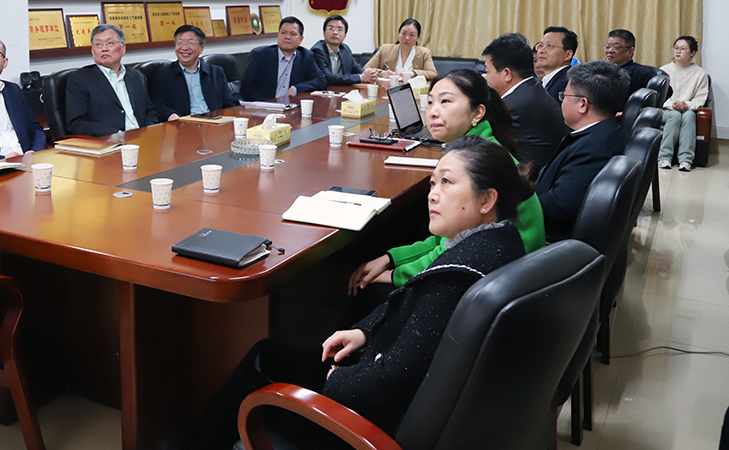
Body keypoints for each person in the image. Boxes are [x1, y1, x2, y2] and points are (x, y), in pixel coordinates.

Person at [173, 137, 530, 449]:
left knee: (262, 363)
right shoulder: (502, 242)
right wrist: (364, 331)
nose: (432, 194)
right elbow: (414, 325)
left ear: (487, 199)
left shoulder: (453, 277)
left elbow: (396, 376)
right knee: (269, 352)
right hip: (410, 391)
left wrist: (339, 381)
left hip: (369, 425)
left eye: (447, 183)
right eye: (433, 182)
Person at [347, 69, 545, 317]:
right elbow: (448, 238)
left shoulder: (479, 163)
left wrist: (395, 274)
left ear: (477, 113)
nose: (433, 112)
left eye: (446, 101)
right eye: (430, 102)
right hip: (500, 274)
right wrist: (391, 258)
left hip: (498, 287)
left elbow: (454, 252)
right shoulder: (477, 149)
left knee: (368, 291)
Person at [536, 60, 628, 241]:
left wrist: (514, 206)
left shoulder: (595, 148)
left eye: (564, 96)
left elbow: (558, 206)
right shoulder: (604, 132)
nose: (561, 101)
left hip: (549, 239)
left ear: (583, 104)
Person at [483, 33, 568, 167]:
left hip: (528, 176)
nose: (485, 77)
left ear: (507, 74)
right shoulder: (533, 89)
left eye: (488, 71)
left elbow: (485, 148)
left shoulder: (512, 107)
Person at [65, 24, 158, 137]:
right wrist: (117, 135)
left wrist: (148, 132)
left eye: (110, 43)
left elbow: (149, 111)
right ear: (93, 51)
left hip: (143, 137)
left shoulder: (137, 77)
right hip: (109, 142)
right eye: (98, 44)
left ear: (123, 48)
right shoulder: (79, 79)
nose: (104, 48)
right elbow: (76, 124)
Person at [149, 25, 238, 121]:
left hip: (215, 121)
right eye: (180, 43)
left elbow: (229, 103)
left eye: (190, 43)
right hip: (183, 123)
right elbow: (158, 104)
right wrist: (171, 115)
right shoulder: (163, 74)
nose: (184, 48)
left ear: (201, 48)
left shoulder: (216, 73)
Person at [240, 16, 326, 100]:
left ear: (301, 39)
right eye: (283, 33)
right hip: (265, 105)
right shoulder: (261, 55)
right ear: (278, 35)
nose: (287, 37)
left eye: (293, 34)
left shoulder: (306, 56)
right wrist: (269, 103)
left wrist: (296, 88)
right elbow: (246, 89)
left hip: (292, 106)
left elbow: (321, 81)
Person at [658, 36, 709, 171]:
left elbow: (701, 98)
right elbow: (659, 95)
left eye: (683, 49)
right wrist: (672, 105)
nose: (678, 51)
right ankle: (664, 157)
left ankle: (686, 160)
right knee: (674, 115)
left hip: (688, 110)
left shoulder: (700, 73)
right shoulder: (664, 70)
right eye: (676, 48)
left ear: (692, 53)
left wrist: (687, 105)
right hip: (667, 109)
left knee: (689, 116)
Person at [310, 14, 378, 86]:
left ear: (345, 35)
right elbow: (327, 78)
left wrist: (370, 73)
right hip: (320, 90)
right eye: (331, 28)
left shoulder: (345, 49)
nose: (335, 32)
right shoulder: (317, 51)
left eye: (339, 29)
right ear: (324, 33)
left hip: (342, 90)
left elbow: (357, 69)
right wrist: (361, 77)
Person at [363, 18, 437, 82]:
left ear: (418, 38)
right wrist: (382, 73)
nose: (407, 38)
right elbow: (366, 69)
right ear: (399, 33)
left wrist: (414, 73)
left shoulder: (424, 53)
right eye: (404, 33)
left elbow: (433, 73)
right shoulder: (385, 50)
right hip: (388, 89)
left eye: (412, 35)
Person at [604, 29, 656, 100]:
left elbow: (665, 91)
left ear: (630, 52)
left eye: (616, 47)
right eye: (608, 47)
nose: (610, 51)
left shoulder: (642, 73)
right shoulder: (599, 70)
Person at [537, 26, 579, 104]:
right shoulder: (547, 81)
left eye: (549, 46)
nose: (541, 51)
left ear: (568, 55)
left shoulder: (568, 84)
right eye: (540, 46)